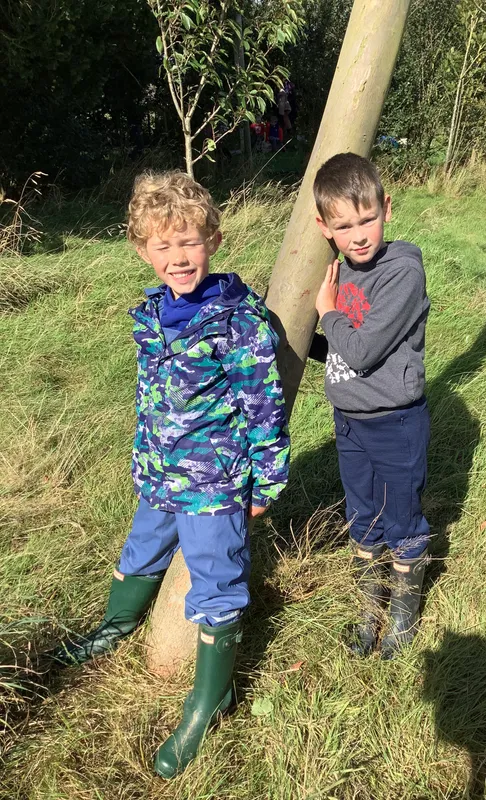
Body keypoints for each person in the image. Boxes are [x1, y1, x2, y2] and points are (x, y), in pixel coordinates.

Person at [51, 170, 290, 778]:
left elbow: (263, 404)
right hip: (159, 476)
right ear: (143, 250)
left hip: (212, 484)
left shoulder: (237, 321)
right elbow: (149, 398)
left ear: (213, 240)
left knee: (216, 581)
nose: (178, 257)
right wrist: (143, 457)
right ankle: (115, 625)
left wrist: (266, 479)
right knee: (141, 550)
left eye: (189, 242)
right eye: (163, 245)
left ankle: (210, 699)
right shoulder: (153, 315)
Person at [311, 153, 430, 659]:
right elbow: (340, 352)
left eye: (367, 219)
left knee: (401, 518)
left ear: (387, 208)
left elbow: (360, 350)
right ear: (324, 227)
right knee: (362, 514)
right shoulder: (338, 272)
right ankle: (370, 606)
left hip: (396, 421)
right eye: (344, 226)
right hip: (350, 421)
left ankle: (402, 614)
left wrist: (326, 312)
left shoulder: (401, 272)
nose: (358, 236)